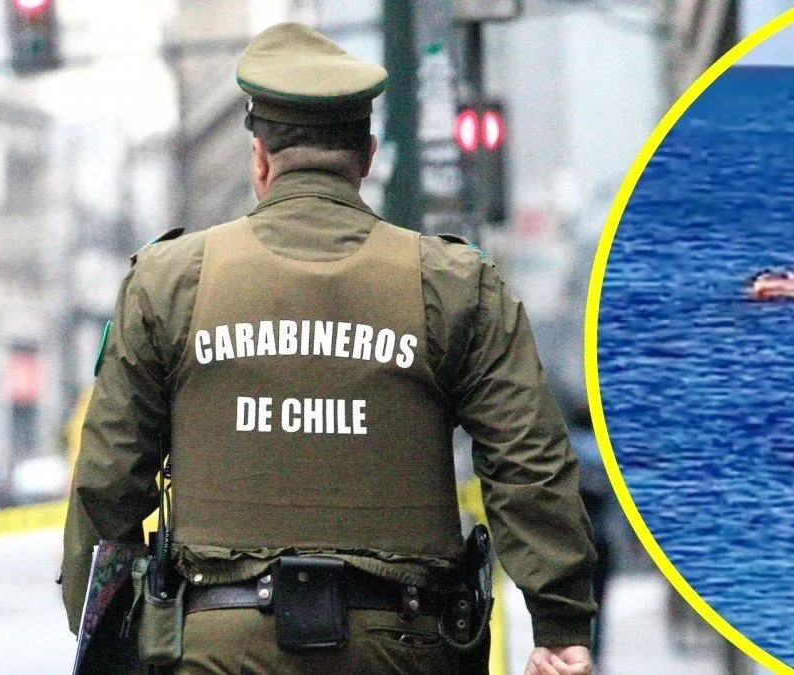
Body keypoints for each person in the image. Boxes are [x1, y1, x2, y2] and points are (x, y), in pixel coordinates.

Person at [60, 22, 597, 675]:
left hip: (218, 647)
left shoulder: (168, 283)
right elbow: (528, 463)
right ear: (367, 157)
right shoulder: (457, 286)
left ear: (260, 158)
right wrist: (560, 620)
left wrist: (98, 637)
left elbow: (107, 486)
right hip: (404, 642)